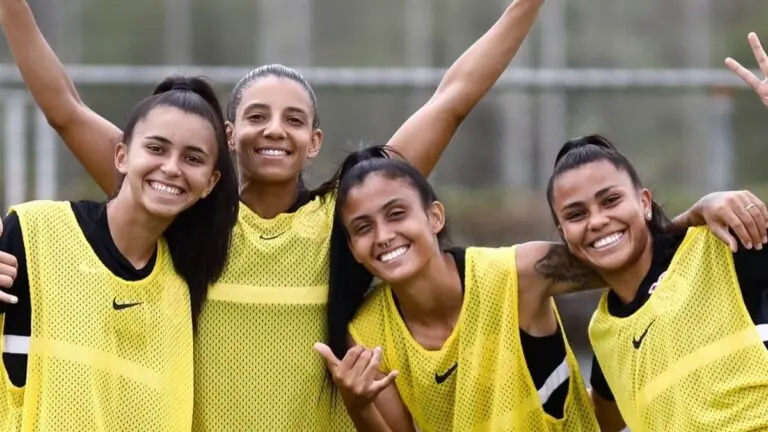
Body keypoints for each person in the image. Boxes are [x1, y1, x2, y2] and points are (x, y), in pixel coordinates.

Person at [0, 0, 546, 429]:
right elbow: (65, 111)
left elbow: (452, 99)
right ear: (231, 136)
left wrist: (526, 3)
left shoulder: (347, 217)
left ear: (313, 142)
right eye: (258, 115)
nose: (275, 129)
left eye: (293, 119)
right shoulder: (189, 205)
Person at [312, 146, 766, 431]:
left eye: (396, 214)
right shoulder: (365, 333)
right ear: (352, 248)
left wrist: (701, 211)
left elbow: (623, 252)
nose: (384, 235)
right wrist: (357, 405)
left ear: (434, 217)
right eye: (363, 227)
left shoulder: (519, 273)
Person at [0, 76, 239, 431]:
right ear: (122, 155)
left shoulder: (181, 287)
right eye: (156, 149)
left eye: (192, 158)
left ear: (210, 182)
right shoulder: (35, 231)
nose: (172, 168)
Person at [545, 133, 768, 431]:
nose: (597, 221)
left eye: (611, 200)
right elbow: (602, 416)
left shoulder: (720, 246)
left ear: (644, 202)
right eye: (576, 214)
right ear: (563, 234)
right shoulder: (604, 330)